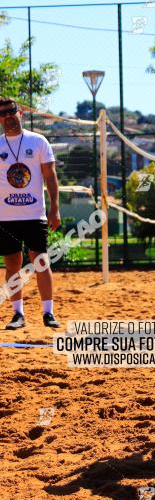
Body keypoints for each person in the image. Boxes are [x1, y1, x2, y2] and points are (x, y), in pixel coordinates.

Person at [0, 97, 61, 330]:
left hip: (35, 214)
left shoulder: (38, 141)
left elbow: (50, 176)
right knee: (12, 264)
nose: (7, 116)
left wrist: (55, 207)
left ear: (20, 113)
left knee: (41, 261)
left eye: (11, 111)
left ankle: (48, 312)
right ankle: (18, 314)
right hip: (5, 217)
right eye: (3, 113)